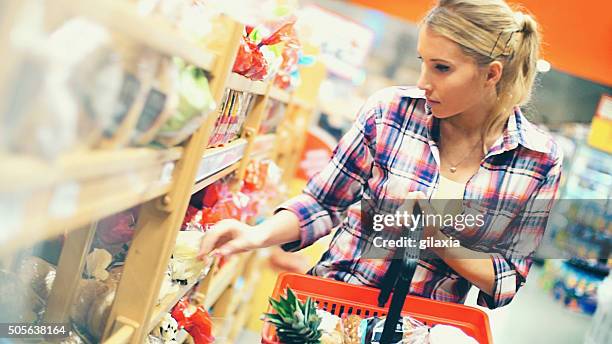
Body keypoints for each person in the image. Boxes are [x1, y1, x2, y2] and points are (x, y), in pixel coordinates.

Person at [197, 0, 563, 309]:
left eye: (441, 68)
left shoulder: (538, 160)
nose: (423, 80)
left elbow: (506, 280)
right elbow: (324, 204)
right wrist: (255, 235)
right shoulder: (390, 111)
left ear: (491, 74)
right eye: (423, 61)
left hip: (421, 329)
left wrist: (435, 238)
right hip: (330, 312)